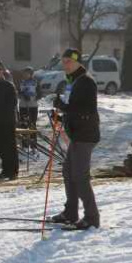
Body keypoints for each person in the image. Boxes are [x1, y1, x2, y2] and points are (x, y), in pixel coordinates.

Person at [50, 48, 101, 230]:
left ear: (78, 62)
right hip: (79, 133)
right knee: (68, 171)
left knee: (80, 176)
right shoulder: (75, 81)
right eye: (63, 61)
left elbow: (84, 109)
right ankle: (71, 212)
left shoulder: (86, 81)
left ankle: (92, 217)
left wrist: (64, 107)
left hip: (85, 135)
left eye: (69, 61)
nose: (66, 65)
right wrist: (62, 115)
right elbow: (76, 110)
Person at [18, 67, 40, 150]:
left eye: (27, 73)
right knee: (23, 124)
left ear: (31, 74)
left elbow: (39, 94)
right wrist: (22, 94)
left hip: (32, 106)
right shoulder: (21, 82)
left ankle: (34, 146)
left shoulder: (35, 82)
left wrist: (32, 96)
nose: (25, 75)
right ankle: (25, 145)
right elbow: (18, 92)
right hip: (23, 105)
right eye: (24, 73)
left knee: (32, 125)